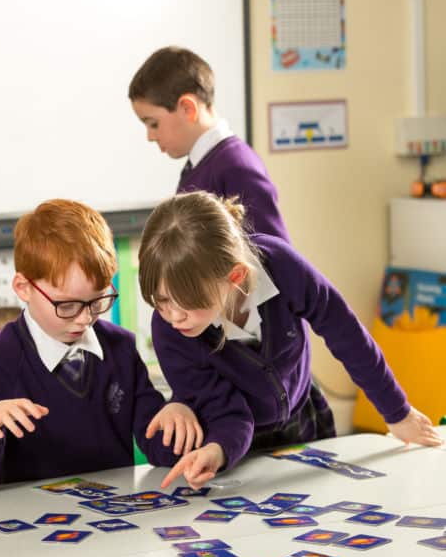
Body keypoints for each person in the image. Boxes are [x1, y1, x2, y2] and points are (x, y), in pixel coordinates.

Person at [137, 192, 443, 489]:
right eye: (161, 301)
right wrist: (218, 451)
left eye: (188, 303)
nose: (174, 316)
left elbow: (347, 335)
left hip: (303, 416)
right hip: (232, 435)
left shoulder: (281, 266)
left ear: (235, 277)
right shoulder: (171, 334)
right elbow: (224, 410)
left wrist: (397, 412)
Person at [0, 199, 202, 493]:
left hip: (112, 516)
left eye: (97, 301)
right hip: (30, 526)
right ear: (24, 288)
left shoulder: (120, 348)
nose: (84, 318)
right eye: (67, 305)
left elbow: (160, 448)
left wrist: (178, 412)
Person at [129, 46, 290, 242]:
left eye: (153, 124)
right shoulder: (198, 164)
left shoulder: (236, 167)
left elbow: (275, 257)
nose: (150, 136)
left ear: (188, 108)